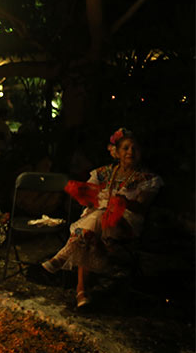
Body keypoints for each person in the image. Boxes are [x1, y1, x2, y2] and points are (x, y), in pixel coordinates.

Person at [41, 128, 163, 308]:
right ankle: (81, 293)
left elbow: (142, 206)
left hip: (125, 223)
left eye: (135, 148)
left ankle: (66, 263)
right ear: (117, 152)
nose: (130, 152)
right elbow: (90, 196)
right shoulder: (103, 173)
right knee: (92, 229)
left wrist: (123, 203)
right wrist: (85, 194)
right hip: (97, 223)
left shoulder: (148, 178)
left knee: (95, 222)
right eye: (126, 148)